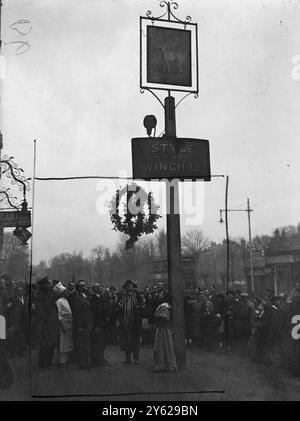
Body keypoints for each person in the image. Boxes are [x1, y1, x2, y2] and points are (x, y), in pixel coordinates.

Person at [117, 280, 144, 364]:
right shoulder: (122, 295)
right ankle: (128, 358)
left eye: (130, 285)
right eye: (127, 286)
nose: (129, 287)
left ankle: (136, 358)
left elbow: (141, 306)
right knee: (126, 340)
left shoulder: (137, 295)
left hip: (134, 322)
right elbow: (117, 307)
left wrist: (140, 317)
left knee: (135, 340)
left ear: (133, 287)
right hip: (125, 322)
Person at [36, 277, 59, 369]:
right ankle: (43, 363)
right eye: (48, 284)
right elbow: (42, 312)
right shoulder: (41, 296)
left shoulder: (50, 294)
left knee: (51, 343)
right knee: (45, 344)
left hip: (52, 323)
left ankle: (48, 362)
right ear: (44, 285)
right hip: (45, 325)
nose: (50, 285)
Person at [72, 280, 93, 370]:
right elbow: (77, 314)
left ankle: (88, 363)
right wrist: (79, 326)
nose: (86, 287)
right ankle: (82, 364)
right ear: (79, 288)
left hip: (87, 324)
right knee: (81, 345)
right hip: (82, 325)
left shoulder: (86, 296)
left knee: (87, 345)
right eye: (83, 286)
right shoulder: (77, 298)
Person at [153, 302, 177, 373]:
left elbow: (158, 317)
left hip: (161, 330)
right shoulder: (167, 309)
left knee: (160, 346)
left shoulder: (161, 308)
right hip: (166, 329)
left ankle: (161, 365)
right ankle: (169, 364)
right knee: (167, 346)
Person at [53, 282, 73, 366]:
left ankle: (66, 359)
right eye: (65, 292)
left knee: (68, 342)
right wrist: (62, 325)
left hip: (69, 322)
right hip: (63, 323)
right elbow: (58, 315)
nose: (67, 293)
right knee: (62, 343)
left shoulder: (66, 300)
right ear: (62, 293)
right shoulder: (59, 301)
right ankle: (61, 361)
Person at [90, 284, 109, 366]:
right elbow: (94, 314)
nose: (101, 289)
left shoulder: (102, 297)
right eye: (99, 288)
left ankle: (101, 358)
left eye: (101, 287)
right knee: (96, 343)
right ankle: (96, 360)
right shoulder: (93, 299)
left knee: (102, 342)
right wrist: (96, 326)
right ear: (95, 289)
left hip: (103, 324)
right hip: (97, 324)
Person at [10, 285, 29, 356]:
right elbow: (11, 312)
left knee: (22, 337)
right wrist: (12, 322)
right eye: (19, 290)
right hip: (16, 321)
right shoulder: (13, 300)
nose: (21, 292)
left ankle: (20, 351)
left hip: (24, 321)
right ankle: (13, 351)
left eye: (22, 290)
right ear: (16, 292)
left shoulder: (26, 299)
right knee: (15, 336)